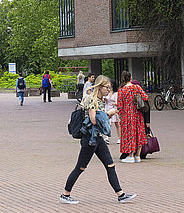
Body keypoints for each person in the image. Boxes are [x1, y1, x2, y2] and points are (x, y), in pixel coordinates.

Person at [60, 76, 136, 205]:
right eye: (107, 87)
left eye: (110, 88)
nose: (108, 90)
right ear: (100, 86)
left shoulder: (100, 100)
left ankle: (121, 195)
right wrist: (109, 114)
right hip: (90, 139)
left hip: (97, 137)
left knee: (110, 165)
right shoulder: (92, 99)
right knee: (80, 167)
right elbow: (94, 120)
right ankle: (65, 194)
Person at [115, 71, 148, 162]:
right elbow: (145, 97)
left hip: (127, 115)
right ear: (131, 78)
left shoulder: (121, 90)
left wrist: (120, 117)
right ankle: (138, 156)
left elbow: (119, 106)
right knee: (139, 133)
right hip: (137, 114)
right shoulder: (137, 87)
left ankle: (130, 155)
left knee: (129, 134)